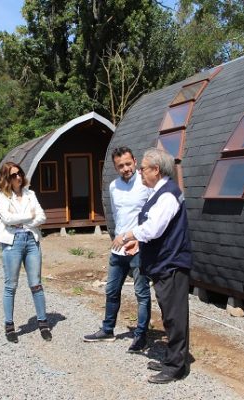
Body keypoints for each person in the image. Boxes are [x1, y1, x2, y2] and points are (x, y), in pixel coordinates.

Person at [115, 148, 192, 384]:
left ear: (156, 170)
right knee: (169, 315)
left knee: (175, 317)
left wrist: (128, 235)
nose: (140, 173)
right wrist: (139, 243)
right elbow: (155, 230)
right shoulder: (158, 191)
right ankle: (171, 360)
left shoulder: (167, 194)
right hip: (163, 263)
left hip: (172, 263)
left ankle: (176, 367)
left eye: (143, 169)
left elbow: (154, 229)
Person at [83, 147, 152, 353]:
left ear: (135, 161)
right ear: (115, 167)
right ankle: (107, 330)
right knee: (112, 290)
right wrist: (117, 238)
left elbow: (153, 216)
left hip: (139, 247)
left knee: (141, 292)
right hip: (118, 249)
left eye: (128, 163)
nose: (125, 168)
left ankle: (141, 336)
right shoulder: (113, 187)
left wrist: (140, 239)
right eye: (120, 166)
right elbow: (116, 215)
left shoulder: (146, 183)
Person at [0, 161, 51, 343]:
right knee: (11, 285)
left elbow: (42, 216)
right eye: (13, 175)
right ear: (6, 178)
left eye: (19, 173)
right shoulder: (2, 195)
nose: (18, 177)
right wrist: (29, 216)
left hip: (31, 241)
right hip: (12, 243)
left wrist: (24, 222)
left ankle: (43, 323)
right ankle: (9, 326)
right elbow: (7, 219)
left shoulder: (30, 194)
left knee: (36, 284)